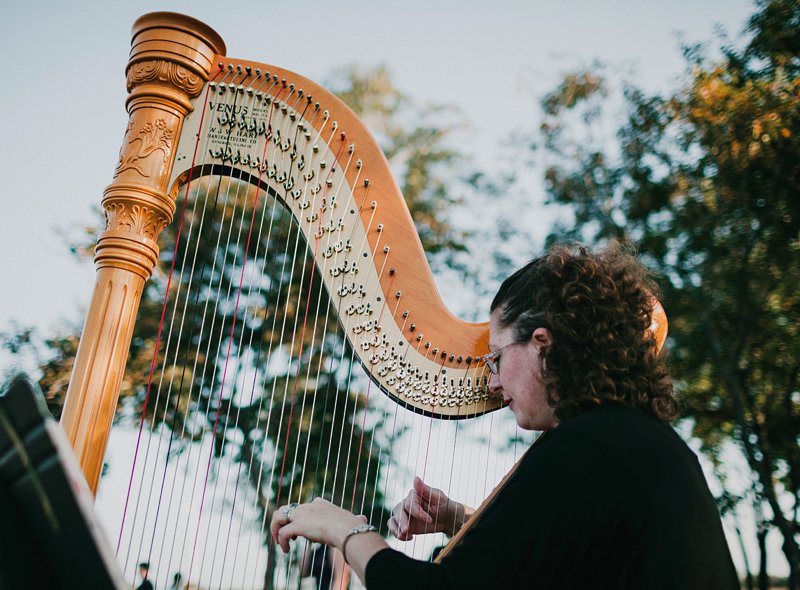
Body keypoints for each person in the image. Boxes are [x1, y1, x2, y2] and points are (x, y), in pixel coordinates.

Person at [271, 243, 740, 589]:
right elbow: (563, 561)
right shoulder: (632, 441)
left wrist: (343, 529)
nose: (492, 382)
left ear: (542, 344)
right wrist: (462, 520)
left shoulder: (585, 447)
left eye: (495, 359)